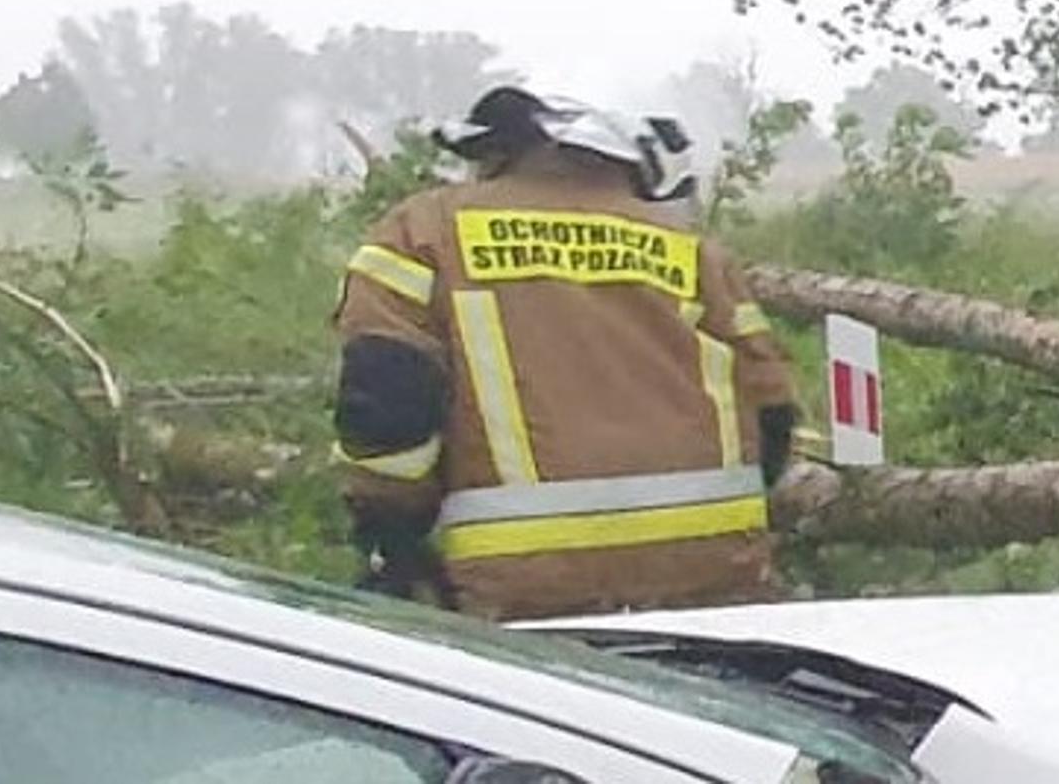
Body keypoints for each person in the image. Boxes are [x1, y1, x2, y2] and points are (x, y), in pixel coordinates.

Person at [330, 86, 798, 621]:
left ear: (496, 152)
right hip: (711, 585)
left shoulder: (422, 233)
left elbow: (389, 403)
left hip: (522, 591)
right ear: (629, 164)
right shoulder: (693, 251)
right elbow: (773, 415)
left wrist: (392, 534)